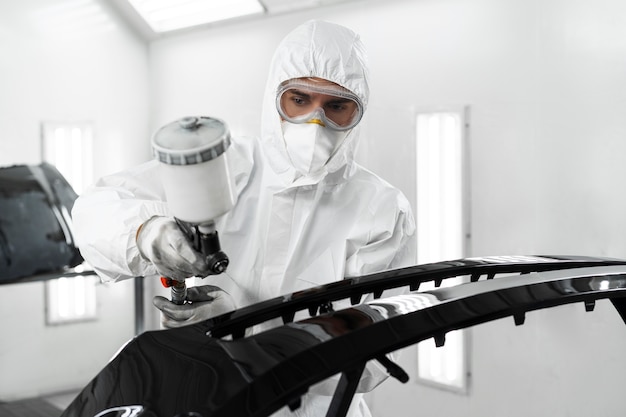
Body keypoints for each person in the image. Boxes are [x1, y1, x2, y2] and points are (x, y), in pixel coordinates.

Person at [72, 19, 416, 417]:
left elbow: (369, 356)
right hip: (207, 398)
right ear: (275, 97)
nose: (315, 122)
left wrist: (242, 329)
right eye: (299, 99)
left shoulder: (382, 209)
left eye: (336, 106)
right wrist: (144, 232)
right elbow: (95, 209)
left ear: (358, 113)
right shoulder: (225, 167)